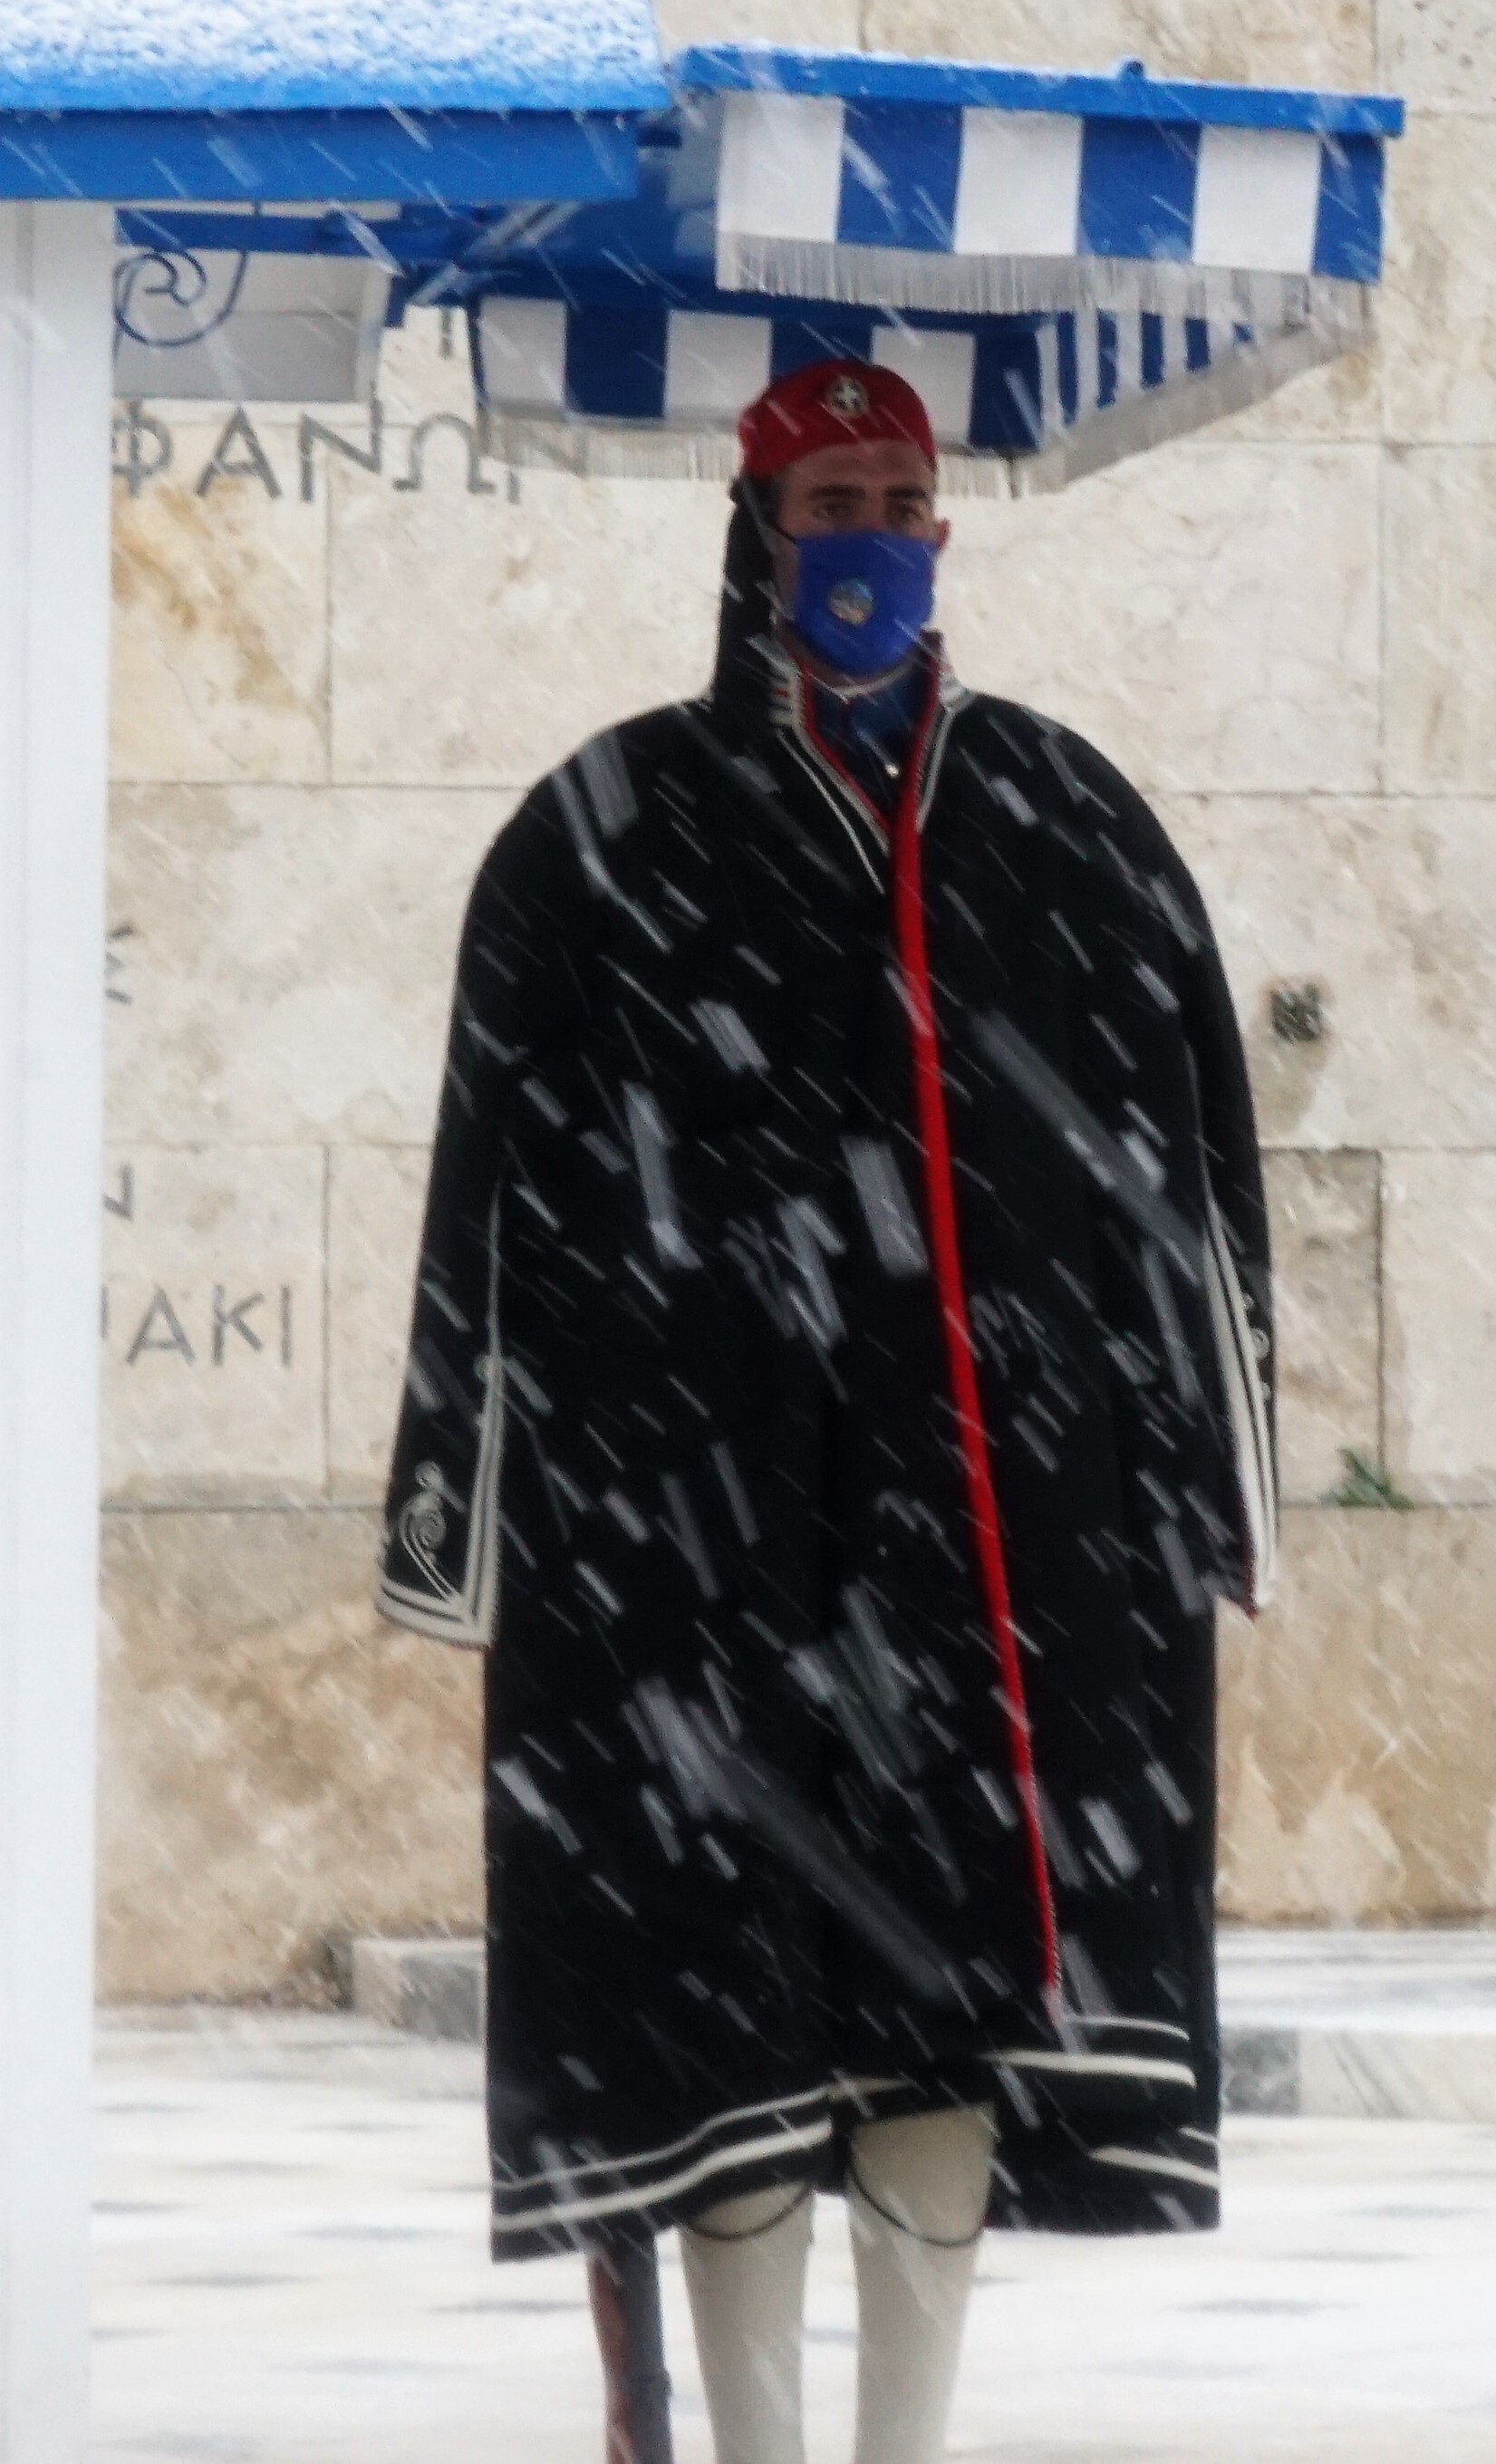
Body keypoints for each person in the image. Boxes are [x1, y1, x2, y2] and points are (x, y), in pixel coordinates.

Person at [375, 353, 1283, 2464]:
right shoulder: (604, 835)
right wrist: (470, 1512)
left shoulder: (1069, 819)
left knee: (946, 2012)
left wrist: (1214, 1498)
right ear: (753, 526)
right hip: (700, 1558)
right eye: (829, 501)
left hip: (992, 1555)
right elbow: (484, 1197)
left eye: (899, 500)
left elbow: (1201, 1180)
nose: (868, 542)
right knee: (727, 2017)